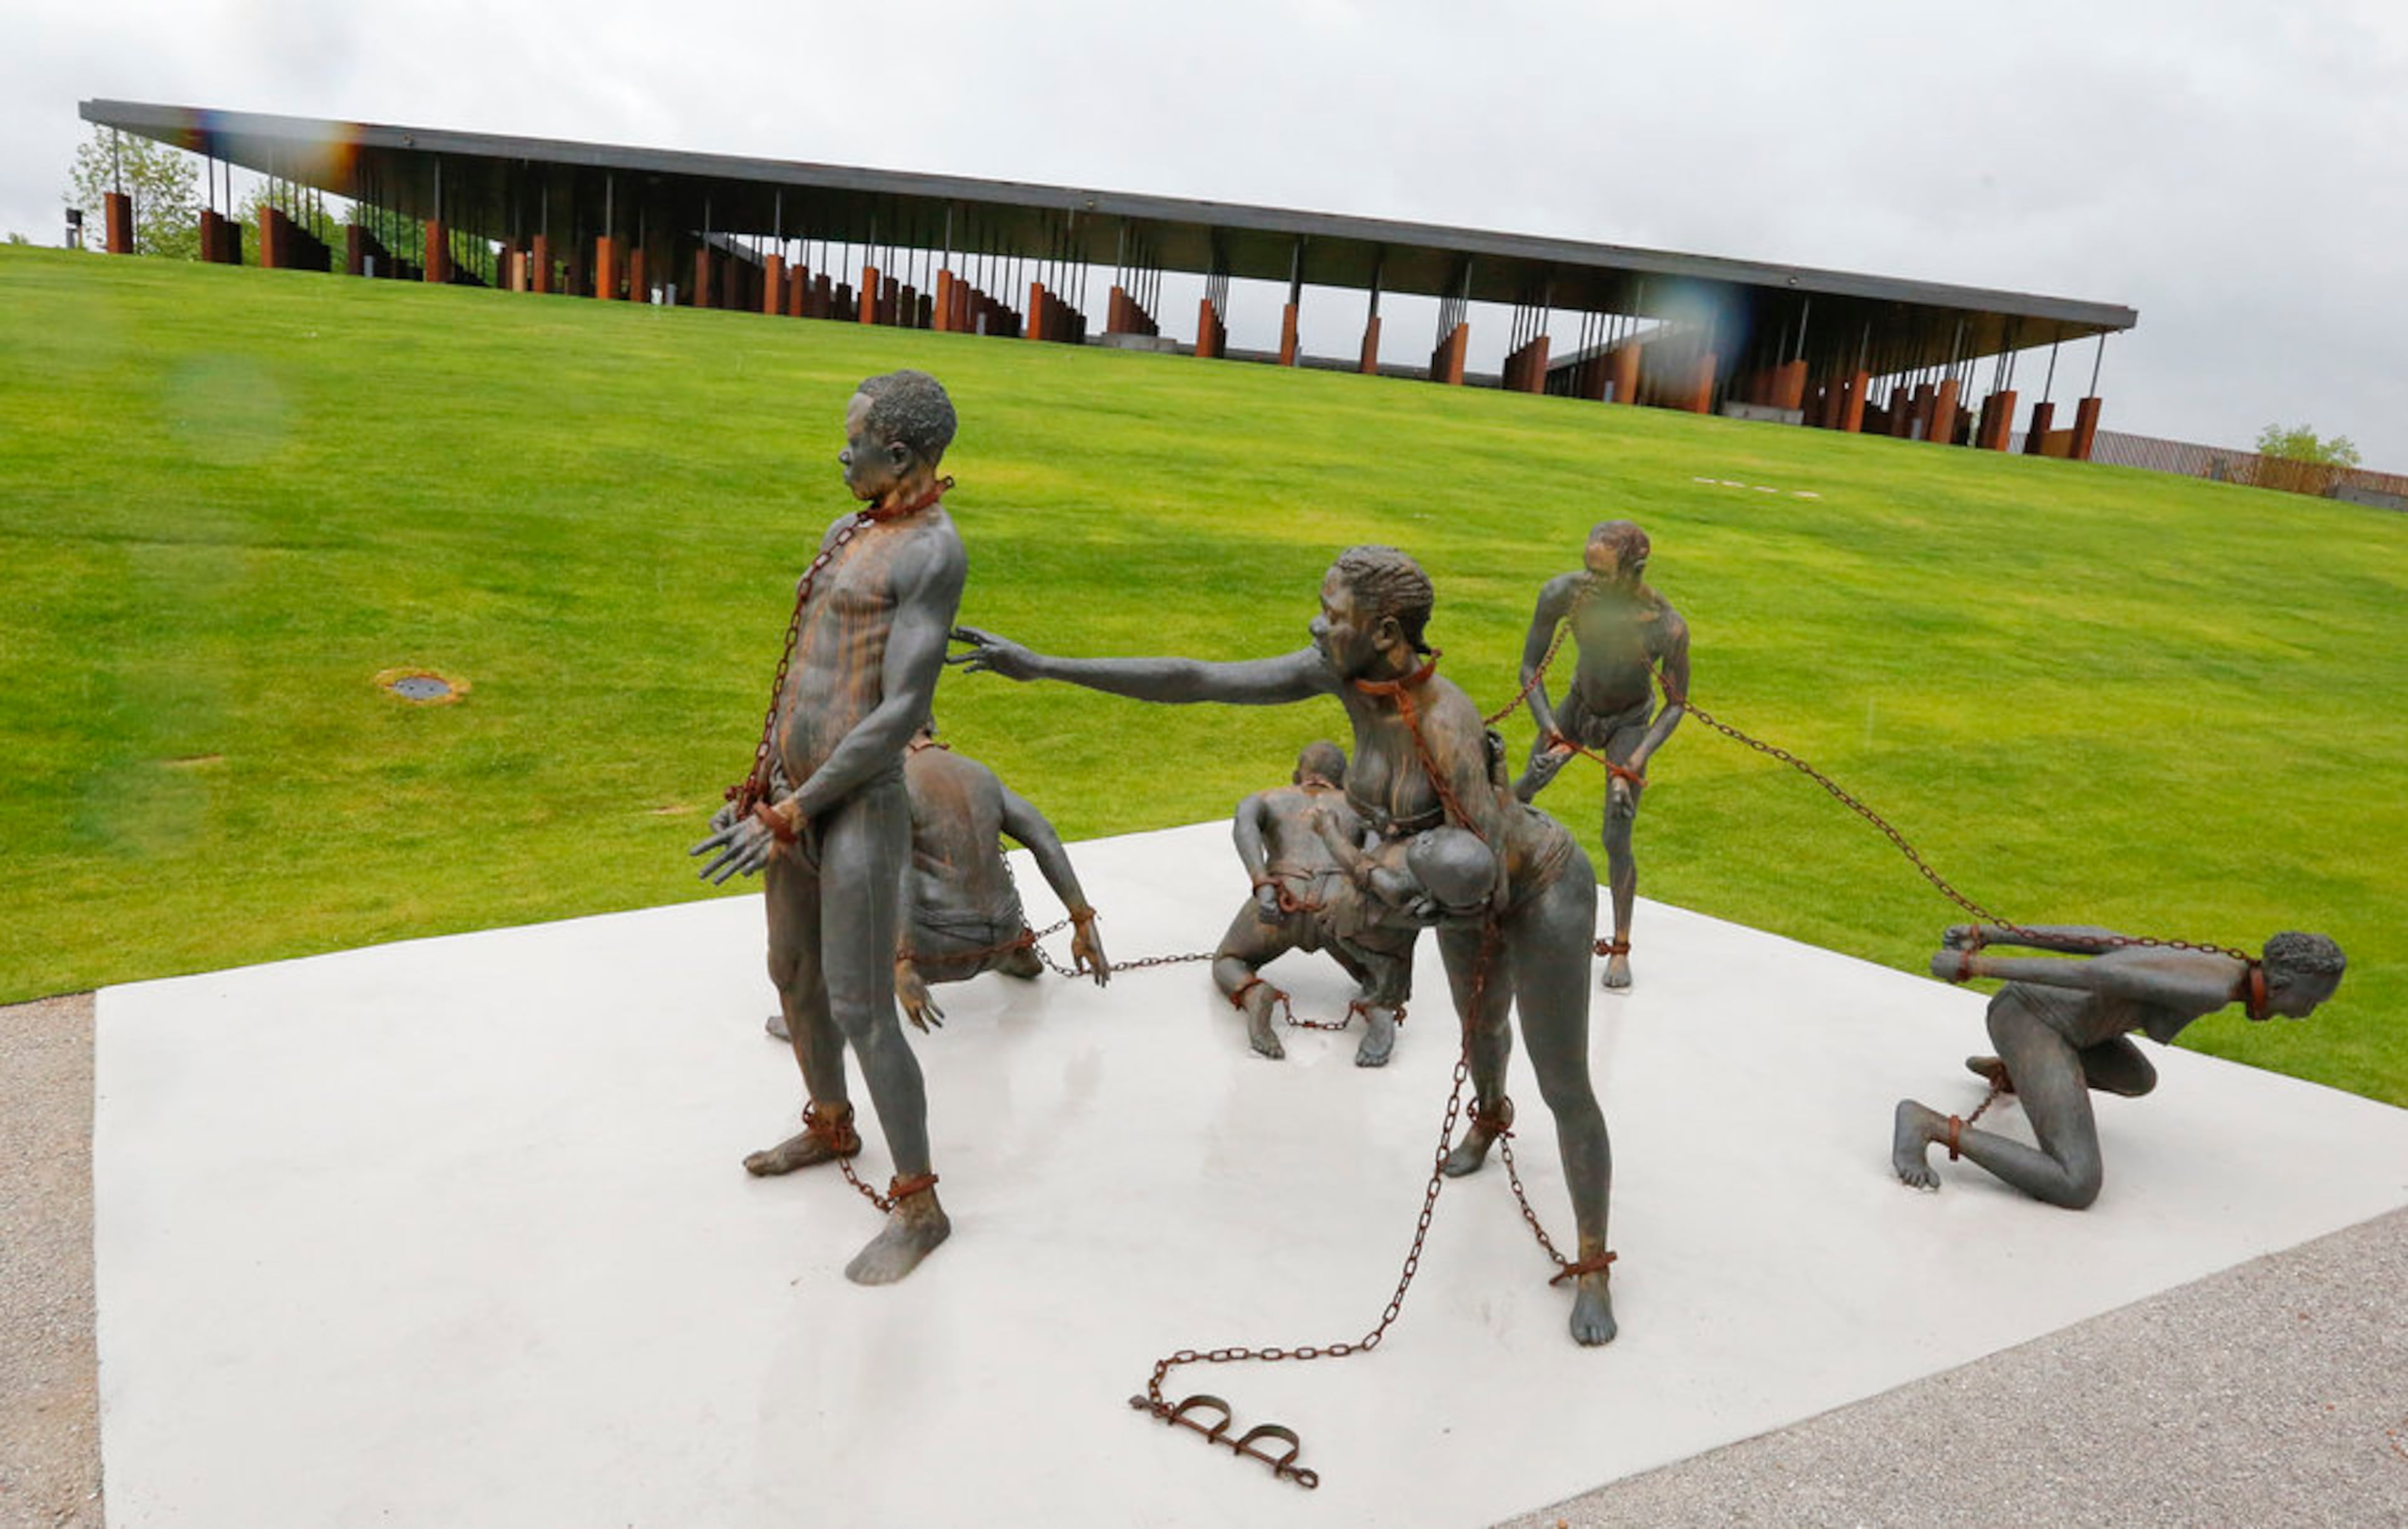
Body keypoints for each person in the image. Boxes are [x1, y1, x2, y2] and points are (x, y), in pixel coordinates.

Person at [952, 545, 1619, 1345]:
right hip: (1443, 876)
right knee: (1482, 1030)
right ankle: (1487, 1115)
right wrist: (1045, 666)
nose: (1316, 622)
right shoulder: (1344, 674)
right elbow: (1197, 679)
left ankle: (1593, 1262)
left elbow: (1482, 881)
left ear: (1384, 631)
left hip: (1532, 884)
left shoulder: (1446, 721)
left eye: (1333, 614)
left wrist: (1361, 869)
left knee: (1563, 1077)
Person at [689, 369, 967, 1286]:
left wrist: (799, 806)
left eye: (853, 440)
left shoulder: (933, 553)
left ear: (900, 454)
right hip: (791, 797)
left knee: (861, 1006)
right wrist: (764, 777)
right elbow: (805, 667)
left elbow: (897, 715)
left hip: (853, 806)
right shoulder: (847, 530)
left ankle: (919, 1206)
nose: (839, 452)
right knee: (793, 973)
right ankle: (830, 1121)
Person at [1892, 924, 2347, 1208]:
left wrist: (1991, 931)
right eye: (2313, 1001)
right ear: (2284, 983)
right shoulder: (2210, 988)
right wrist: (1977, 964)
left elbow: (2100, 939)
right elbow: (2098, 973)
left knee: (2136, 1079)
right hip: (2034, 1020)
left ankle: (2018, 1071)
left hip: (2070, 1027)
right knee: (2076, 1183)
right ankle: (1928, 1125)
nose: (2309, 1012)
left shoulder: (2226, 967)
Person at [765, 720, 1109, 1039]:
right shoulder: (978, 773)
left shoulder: (889, 787)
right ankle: (1013, 954)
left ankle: (819, 1015)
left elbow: (895, 872)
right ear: (930, 725)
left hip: (937, 954)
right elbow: (1044, 837)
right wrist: (1082, 918)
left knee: (837, 877)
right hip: (1003, 936)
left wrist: (902, 962)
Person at [1513, 521, 1690, 990]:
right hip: (1576, 707)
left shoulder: (1665, 626)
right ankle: (1493, 905)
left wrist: (1632, 764)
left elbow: (1675, 705)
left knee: (1617, 832)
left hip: (1628, 721)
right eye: (1587, 569)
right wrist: (1549, 726)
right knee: (1520, 791)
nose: (1590, 581)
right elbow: (1529, 666)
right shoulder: (1564, 594)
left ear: (1634, 571)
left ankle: (1621, 945)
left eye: (1603, 574)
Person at [1215, 742, 1415, 1067]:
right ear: (1345, 780)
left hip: (1282, 899)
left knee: (1229, 960)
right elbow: (1373, 860)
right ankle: (1379, 1005)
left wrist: (1263, 884)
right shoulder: (1361, 807)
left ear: (1298, 776)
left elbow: (1244, 822)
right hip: (1337, 910)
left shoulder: (1269, 798)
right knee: (1377, 969)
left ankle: (1253, 994)